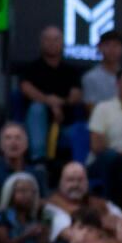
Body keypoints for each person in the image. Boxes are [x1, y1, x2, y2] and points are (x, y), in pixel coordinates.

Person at [19, 26, 83, 161]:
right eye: (47, 39)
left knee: (81, 131)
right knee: (37, 108)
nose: (52, 43)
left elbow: (76, 95)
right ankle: (39, 160)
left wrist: (60, 103)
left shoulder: (71, 71)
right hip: (36, 122)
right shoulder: (32, 68)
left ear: (62, 43)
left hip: (65, 122)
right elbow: (26, 88)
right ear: (41, 42)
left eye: (56, 39)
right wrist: (49, 101)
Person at [81, 30, 122, 106]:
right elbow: (91, 108)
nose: (112, 49)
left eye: (116, 45)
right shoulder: (90, 77)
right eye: (107, 45)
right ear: (99, 48)